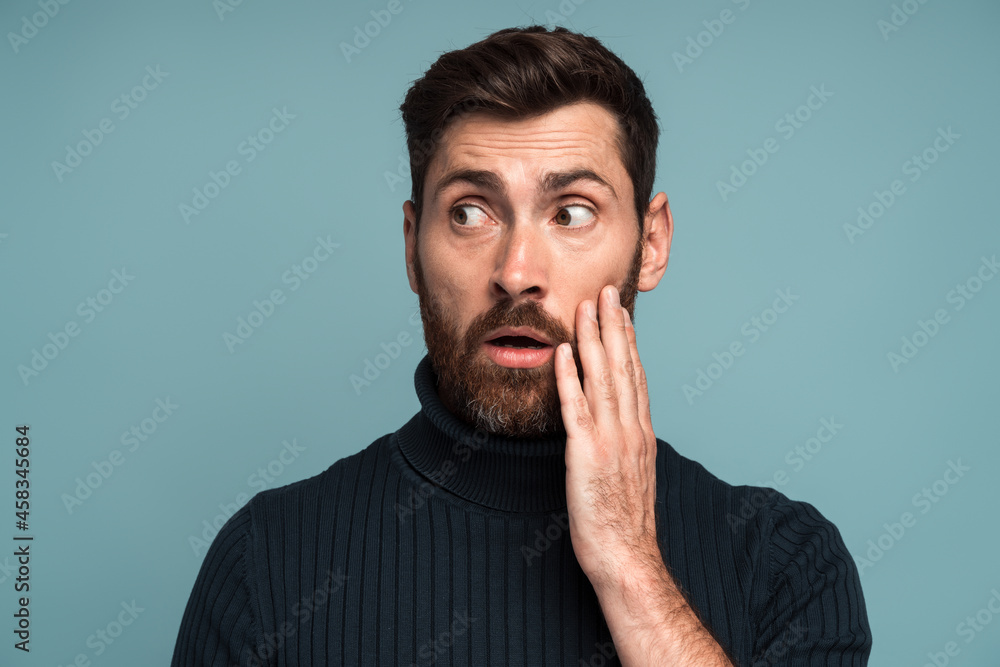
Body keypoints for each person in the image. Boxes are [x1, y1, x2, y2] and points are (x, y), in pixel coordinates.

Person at [171, 25, 871, 666]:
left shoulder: (786, 562)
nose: (515, 274)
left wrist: (629, 565)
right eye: (471, 212)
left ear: (650, 244)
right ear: (412, 248)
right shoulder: (266, 560)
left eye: (571, 213)